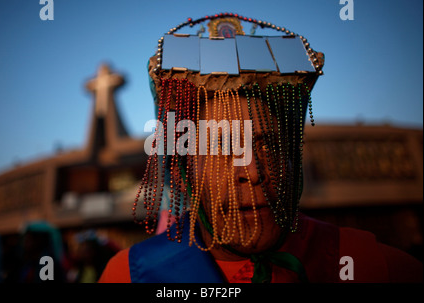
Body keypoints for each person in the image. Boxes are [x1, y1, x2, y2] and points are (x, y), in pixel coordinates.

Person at [99, 14, 422, 283]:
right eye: (221, 148)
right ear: (182, 174)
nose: (253, 171)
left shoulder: (372, 266)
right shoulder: (130, 275)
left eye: (268, 146)